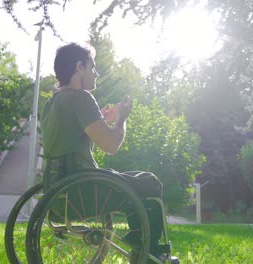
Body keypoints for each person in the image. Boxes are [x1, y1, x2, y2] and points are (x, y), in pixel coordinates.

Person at [40, 42, 167, 262]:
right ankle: (146, 251)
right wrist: (121, 119)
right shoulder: (81, 98)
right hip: (84, 192)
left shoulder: (52, 103)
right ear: (79, 67)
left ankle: (142, 247)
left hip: (58, 194)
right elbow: (111, 146)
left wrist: (100, 120)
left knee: (137, 182)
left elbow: (69, 137)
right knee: (150, 182)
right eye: (93, 67)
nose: (97, 73)